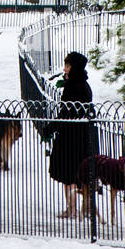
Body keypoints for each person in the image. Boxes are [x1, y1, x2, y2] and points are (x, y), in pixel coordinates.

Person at [48, 50, 98, 217]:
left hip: (69, 136)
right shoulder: (84, 84)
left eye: (67, 66)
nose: (64, 69)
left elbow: (66, 112)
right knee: (78, 175)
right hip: (83, 135)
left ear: (74, 67)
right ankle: (81, 209)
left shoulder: (73, 86)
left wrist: (50, 128)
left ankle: (72, 209)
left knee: (67, 174)